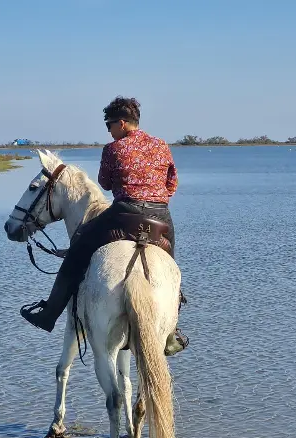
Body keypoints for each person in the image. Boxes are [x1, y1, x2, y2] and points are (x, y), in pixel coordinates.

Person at [21, 96, 188, 356]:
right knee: (171, 267)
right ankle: (170, 334)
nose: (109, 130)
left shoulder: (113, 148)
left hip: (124, 213)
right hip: (160, 217)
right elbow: (171, 183)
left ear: (122, 123)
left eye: (109, 125)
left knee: (76, 251)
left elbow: (106, 184)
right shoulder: (161, 145)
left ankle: (49, 314)